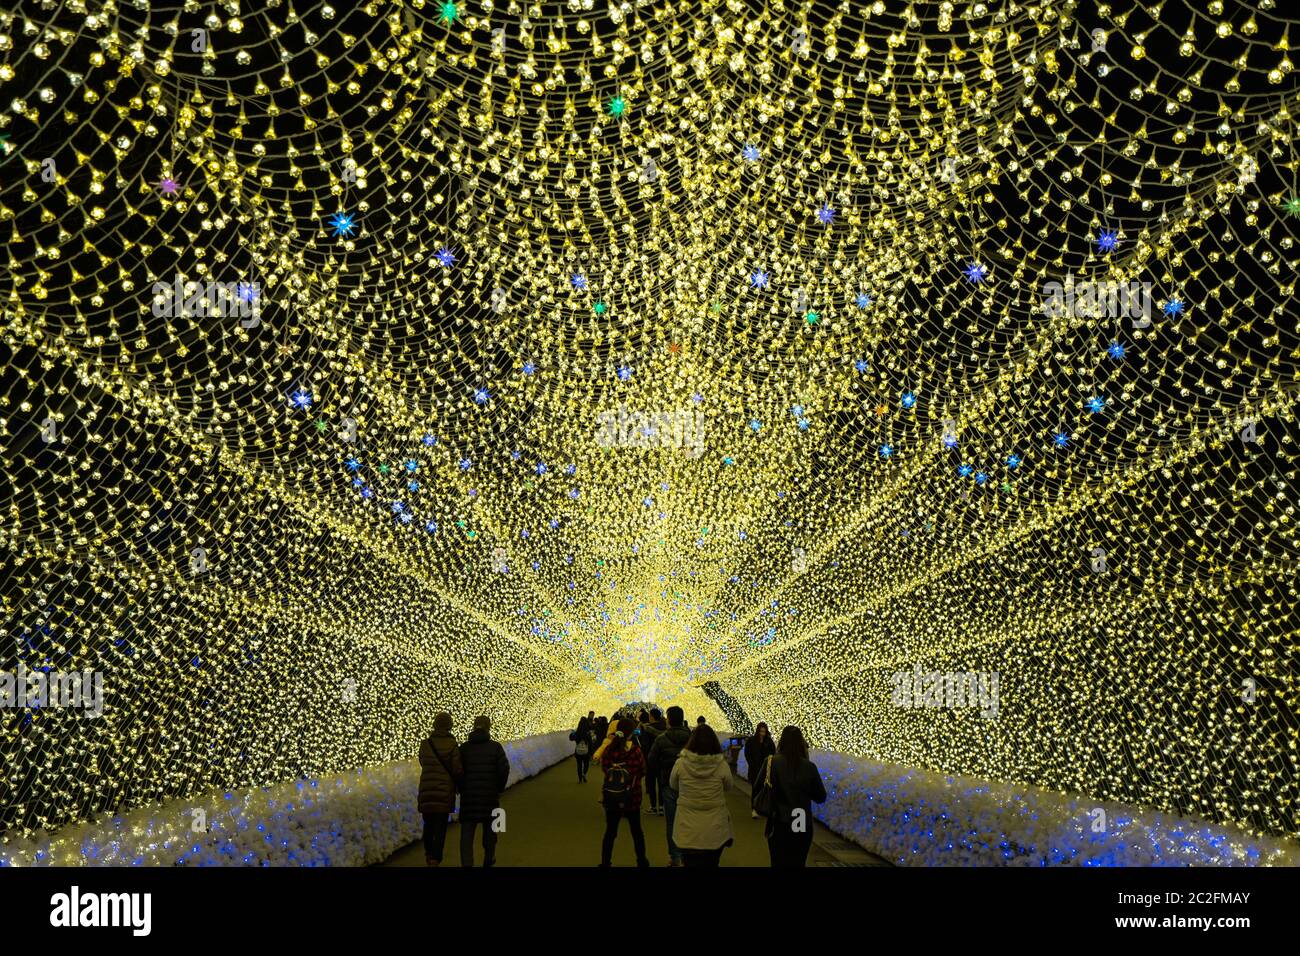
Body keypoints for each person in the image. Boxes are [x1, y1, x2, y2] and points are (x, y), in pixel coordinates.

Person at [668, 723, 734, 867]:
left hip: (687, 826)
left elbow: (673, 785)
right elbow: (729, 786)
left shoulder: (681, 763)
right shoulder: (721, 765)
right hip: (715, 827)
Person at [763, 725, 827, 868]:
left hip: (778, 820)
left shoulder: (772, 762)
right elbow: (821, 796)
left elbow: (761, 788)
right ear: (801, 743)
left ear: (782, 741)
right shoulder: (809, 767)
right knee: (798, 862)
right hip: (801, 821)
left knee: (778, 862)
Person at [458, 715, 510, 867]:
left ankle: (467, 863)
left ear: (474, 727)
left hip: (469, 799)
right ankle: (489, 858)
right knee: (491, 830)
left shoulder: (464, 748)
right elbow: (504, 769)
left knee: (467, 835)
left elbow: (458, 771)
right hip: (489, 798)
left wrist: (462, 788)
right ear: (489, 727)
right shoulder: (495, 747)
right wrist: (499, 788)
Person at [598, 718, 650, 867]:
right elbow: (642, 770)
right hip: (632, 797)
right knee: (636, 832)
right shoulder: (635, 750)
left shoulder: (609, 749)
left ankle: (605, 862)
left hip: (612, 796)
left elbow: (605, 768)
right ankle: (642, 861)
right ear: (631, 733)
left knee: (610, 832)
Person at [646, 706, 692, 866]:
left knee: (672, 822)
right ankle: (689, 856)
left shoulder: (661, 739)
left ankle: (675, 857)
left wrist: (660, 769)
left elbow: (651, 762)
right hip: (689, 785)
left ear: (669, 720)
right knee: (689, 820)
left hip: (667, 784)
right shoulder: (692, 738)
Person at [417, 712, 463, 866]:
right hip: (444, 790)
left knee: (428, 825)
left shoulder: (425, 743)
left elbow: (423, 762)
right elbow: (457, 769)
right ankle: (436, 857)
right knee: (441, 826)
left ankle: (429, 855)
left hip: (427, 789)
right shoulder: (452, 744)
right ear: (449, 725)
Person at [743, 722, 776, 819]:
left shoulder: (769, 742)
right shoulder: (751, 741)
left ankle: (763, 809)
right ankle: (754, 809)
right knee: (755, 789)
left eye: (764, 732)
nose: (762, 734)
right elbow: (747, 754)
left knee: (765, 790)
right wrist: (751, 764)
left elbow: (772, 754)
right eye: (761, 731)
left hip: (766, 770)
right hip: (755, 770)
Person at [639, 708, 667, 814]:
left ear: (652, 716)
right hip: (662, 759)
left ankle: (653, 806)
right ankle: (661, 806)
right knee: (661, 783)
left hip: (650, 759)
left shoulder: (647, 729)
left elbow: (645, 745)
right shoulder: (664, 727)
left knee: (651, 783)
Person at [570, 716, 596, 782]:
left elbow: (571, 738)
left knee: (579, 765)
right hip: (586, 752)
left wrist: (572, 733)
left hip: (578, 751)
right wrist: (592, 753)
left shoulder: (577, 732)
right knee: (586, 764)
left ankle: (580, 779)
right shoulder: (587, 733)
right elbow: (590, 743)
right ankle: (584, 774)